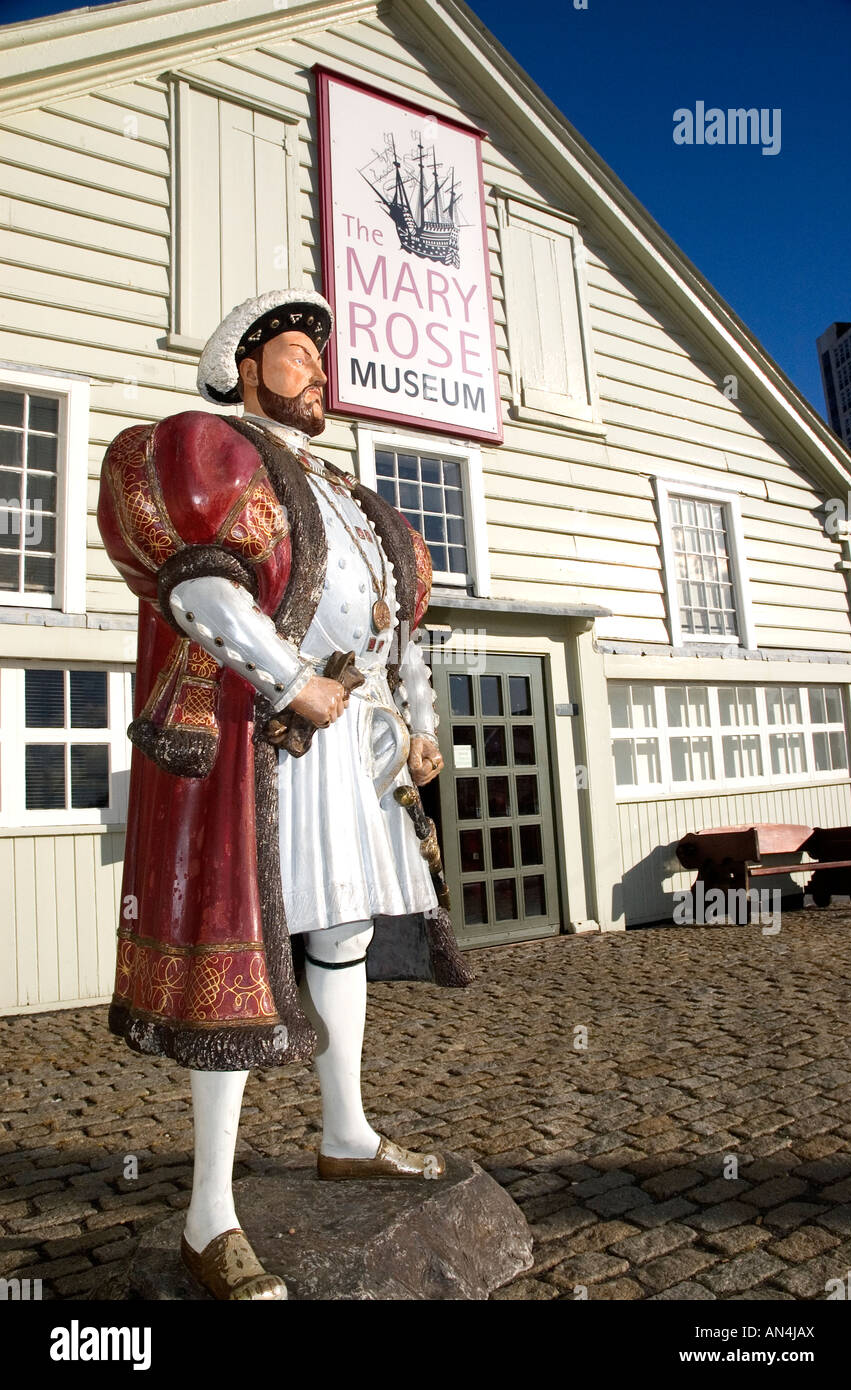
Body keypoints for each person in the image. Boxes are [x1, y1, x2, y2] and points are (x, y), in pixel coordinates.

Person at [97, 287, 472, 1300]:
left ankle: (345, 1130)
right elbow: (198, 589)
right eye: (300, 353)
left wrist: (421, 726)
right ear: (247, 364)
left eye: (320, 355)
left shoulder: (351, 493)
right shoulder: (213, 451)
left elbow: (397, 631)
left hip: (352, 753)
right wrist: (290, 679)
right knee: (246, 954)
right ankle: (207, 1213)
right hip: (266, 747)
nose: (318, 370)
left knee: (341, 934)